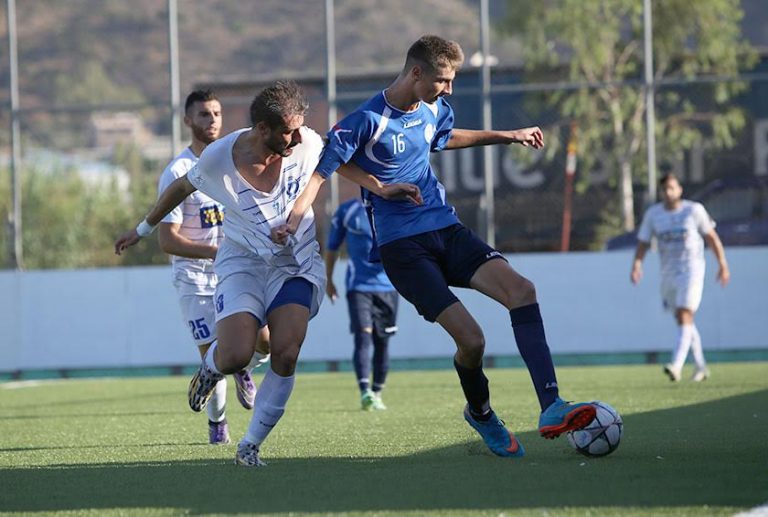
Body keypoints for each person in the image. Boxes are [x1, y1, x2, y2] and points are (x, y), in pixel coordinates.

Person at [276, 35, 596, 458]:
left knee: (523, 292)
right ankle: (481, 413)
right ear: (416, 73)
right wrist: (298, 217)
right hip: (402, 249)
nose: (448, 90)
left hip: (447, 230)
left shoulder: (433, 109)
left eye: (451, 81)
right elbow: (322, 171)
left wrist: (508, 135)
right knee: (473, 341)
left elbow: (446, 136)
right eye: (442, 81)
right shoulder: (367, 119)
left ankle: (551, 405)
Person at [115, 80, 325, 467]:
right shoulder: (218, 158)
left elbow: (336, 165)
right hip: (241, 262)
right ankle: (212, 368)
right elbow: (179, 189)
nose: (296, 137)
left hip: (295, 264)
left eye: (298, 128)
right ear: (262, 129)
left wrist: (382, 186)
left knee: (286, 351)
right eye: (286, 131)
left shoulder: (307, 142)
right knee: (235, 353)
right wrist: (142, 229)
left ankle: (249, 445)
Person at [154, 89, 269, 446]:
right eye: (203, 114)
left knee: (264, 343)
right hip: (195, 280)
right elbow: (168, 240)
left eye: (217, 113)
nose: (212, 120)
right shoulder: (178, 171)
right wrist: (216, 251)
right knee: (213, 360)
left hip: (235, 273)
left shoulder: (230, 162)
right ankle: (218, 427)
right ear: (188, 121)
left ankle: (244, 371)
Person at [631, 173, 730, 382]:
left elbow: (711, 237)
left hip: (692, 270)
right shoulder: (653, 214)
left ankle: (676, 365)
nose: (668, 192)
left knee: (685, 314)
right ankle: (701, 366)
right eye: (665, 189)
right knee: (682, 319)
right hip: (668, 273)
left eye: (672, 188)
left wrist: (722, 264)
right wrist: (637, 264)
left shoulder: (694, 210)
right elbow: (643, 243)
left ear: (680, 189)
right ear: (661, 192)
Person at [325, 197, 399, 411]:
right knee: (363, 336)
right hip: (359, 287)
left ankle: (377, 392)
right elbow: (332, 247)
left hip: (389, 288)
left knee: (382, 341)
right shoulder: (347, 211)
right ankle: (365, 391)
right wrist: (329, 280)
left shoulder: (393, 207)